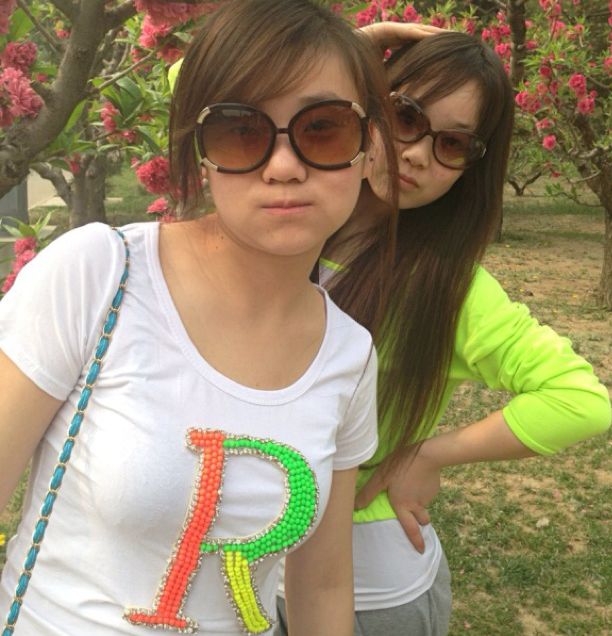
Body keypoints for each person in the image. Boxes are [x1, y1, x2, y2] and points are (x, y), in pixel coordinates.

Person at [0, 1, 400, 634]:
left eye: (324, 128)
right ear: (201, 153)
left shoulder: (348, 355)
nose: (284, 166)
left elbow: (322, 584)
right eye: (240, 130)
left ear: (370, 147)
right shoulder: (100, 275)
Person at [276, 30, 612, 636]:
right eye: (405, 116)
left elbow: (579, 399)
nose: (415, 154)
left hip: (369, 589)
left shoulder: (448, 287)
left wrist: (428, 453)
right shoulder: (284, 224)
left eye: (452, 143)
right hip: (246, 569)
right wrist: (346, 47)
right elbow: (204, 85)